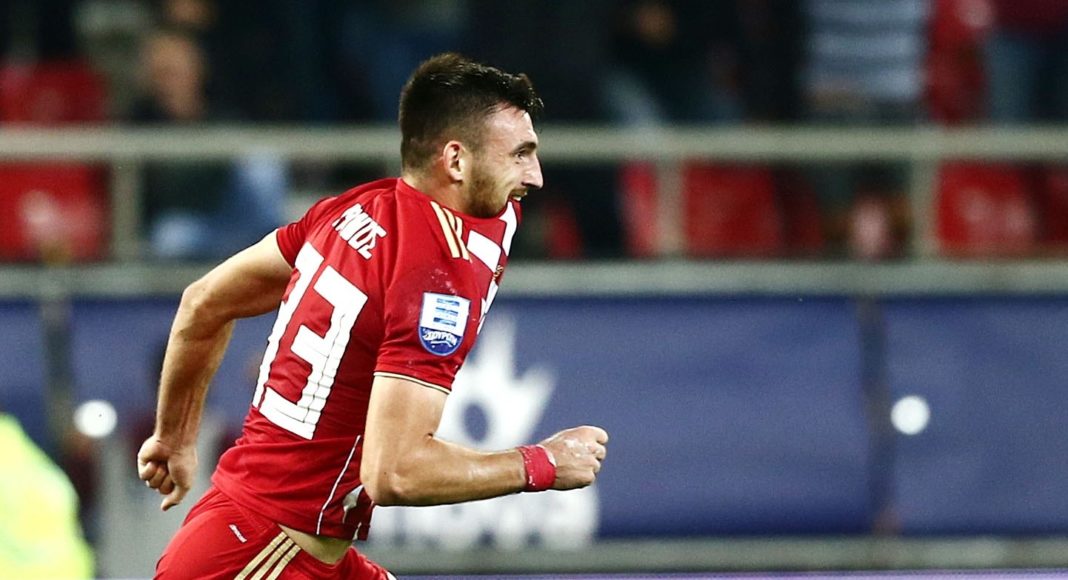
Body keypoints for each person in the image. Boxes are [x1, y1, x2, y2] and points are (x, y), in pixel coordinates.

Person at [136, 53, 609, 579]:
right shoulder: (435, 277)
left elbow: (204, 302)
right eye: (519, 155)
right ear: (456, 161)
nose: (535, 177)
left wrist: (174, 436)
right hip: (260, 555)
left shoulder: (347, 211)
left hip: (288, 544)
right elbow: (394, 471)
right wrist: (543, 463)